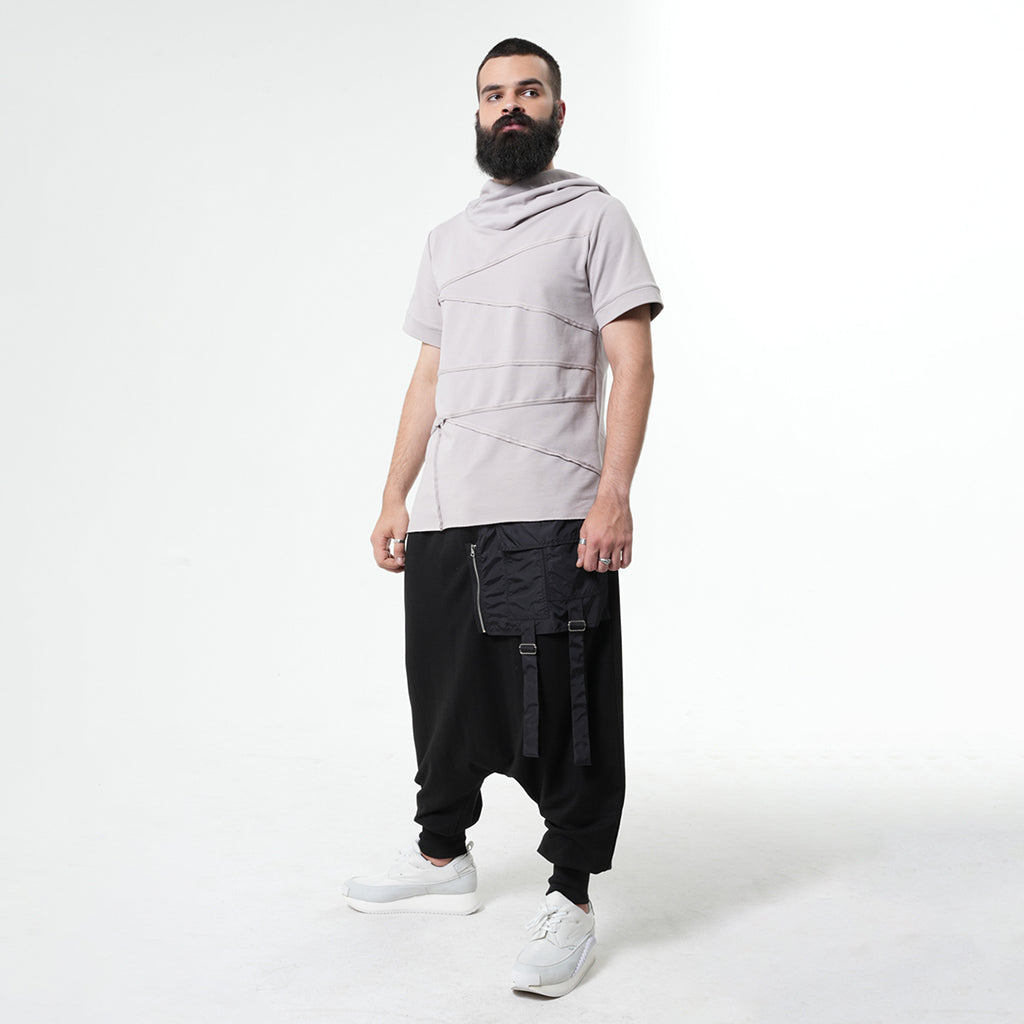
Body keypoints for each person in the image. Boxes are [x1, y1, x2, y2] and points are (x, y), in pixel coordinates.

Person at [343, 37, 663, 998]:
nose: (509, 105)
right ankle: (443, 856)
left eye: (528, 91)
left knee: (562, 710)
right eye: (493, 94)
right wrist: (395, 494)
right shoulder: (447, 240)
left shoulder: (596, 218)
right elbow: (428, 377)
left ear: (558, 112)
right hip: (451, 512)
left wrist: (614, 492)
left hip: (550, 508)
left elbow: (633, 363)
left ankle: (571, 895)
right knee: (443, 698)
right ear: (477, 114)